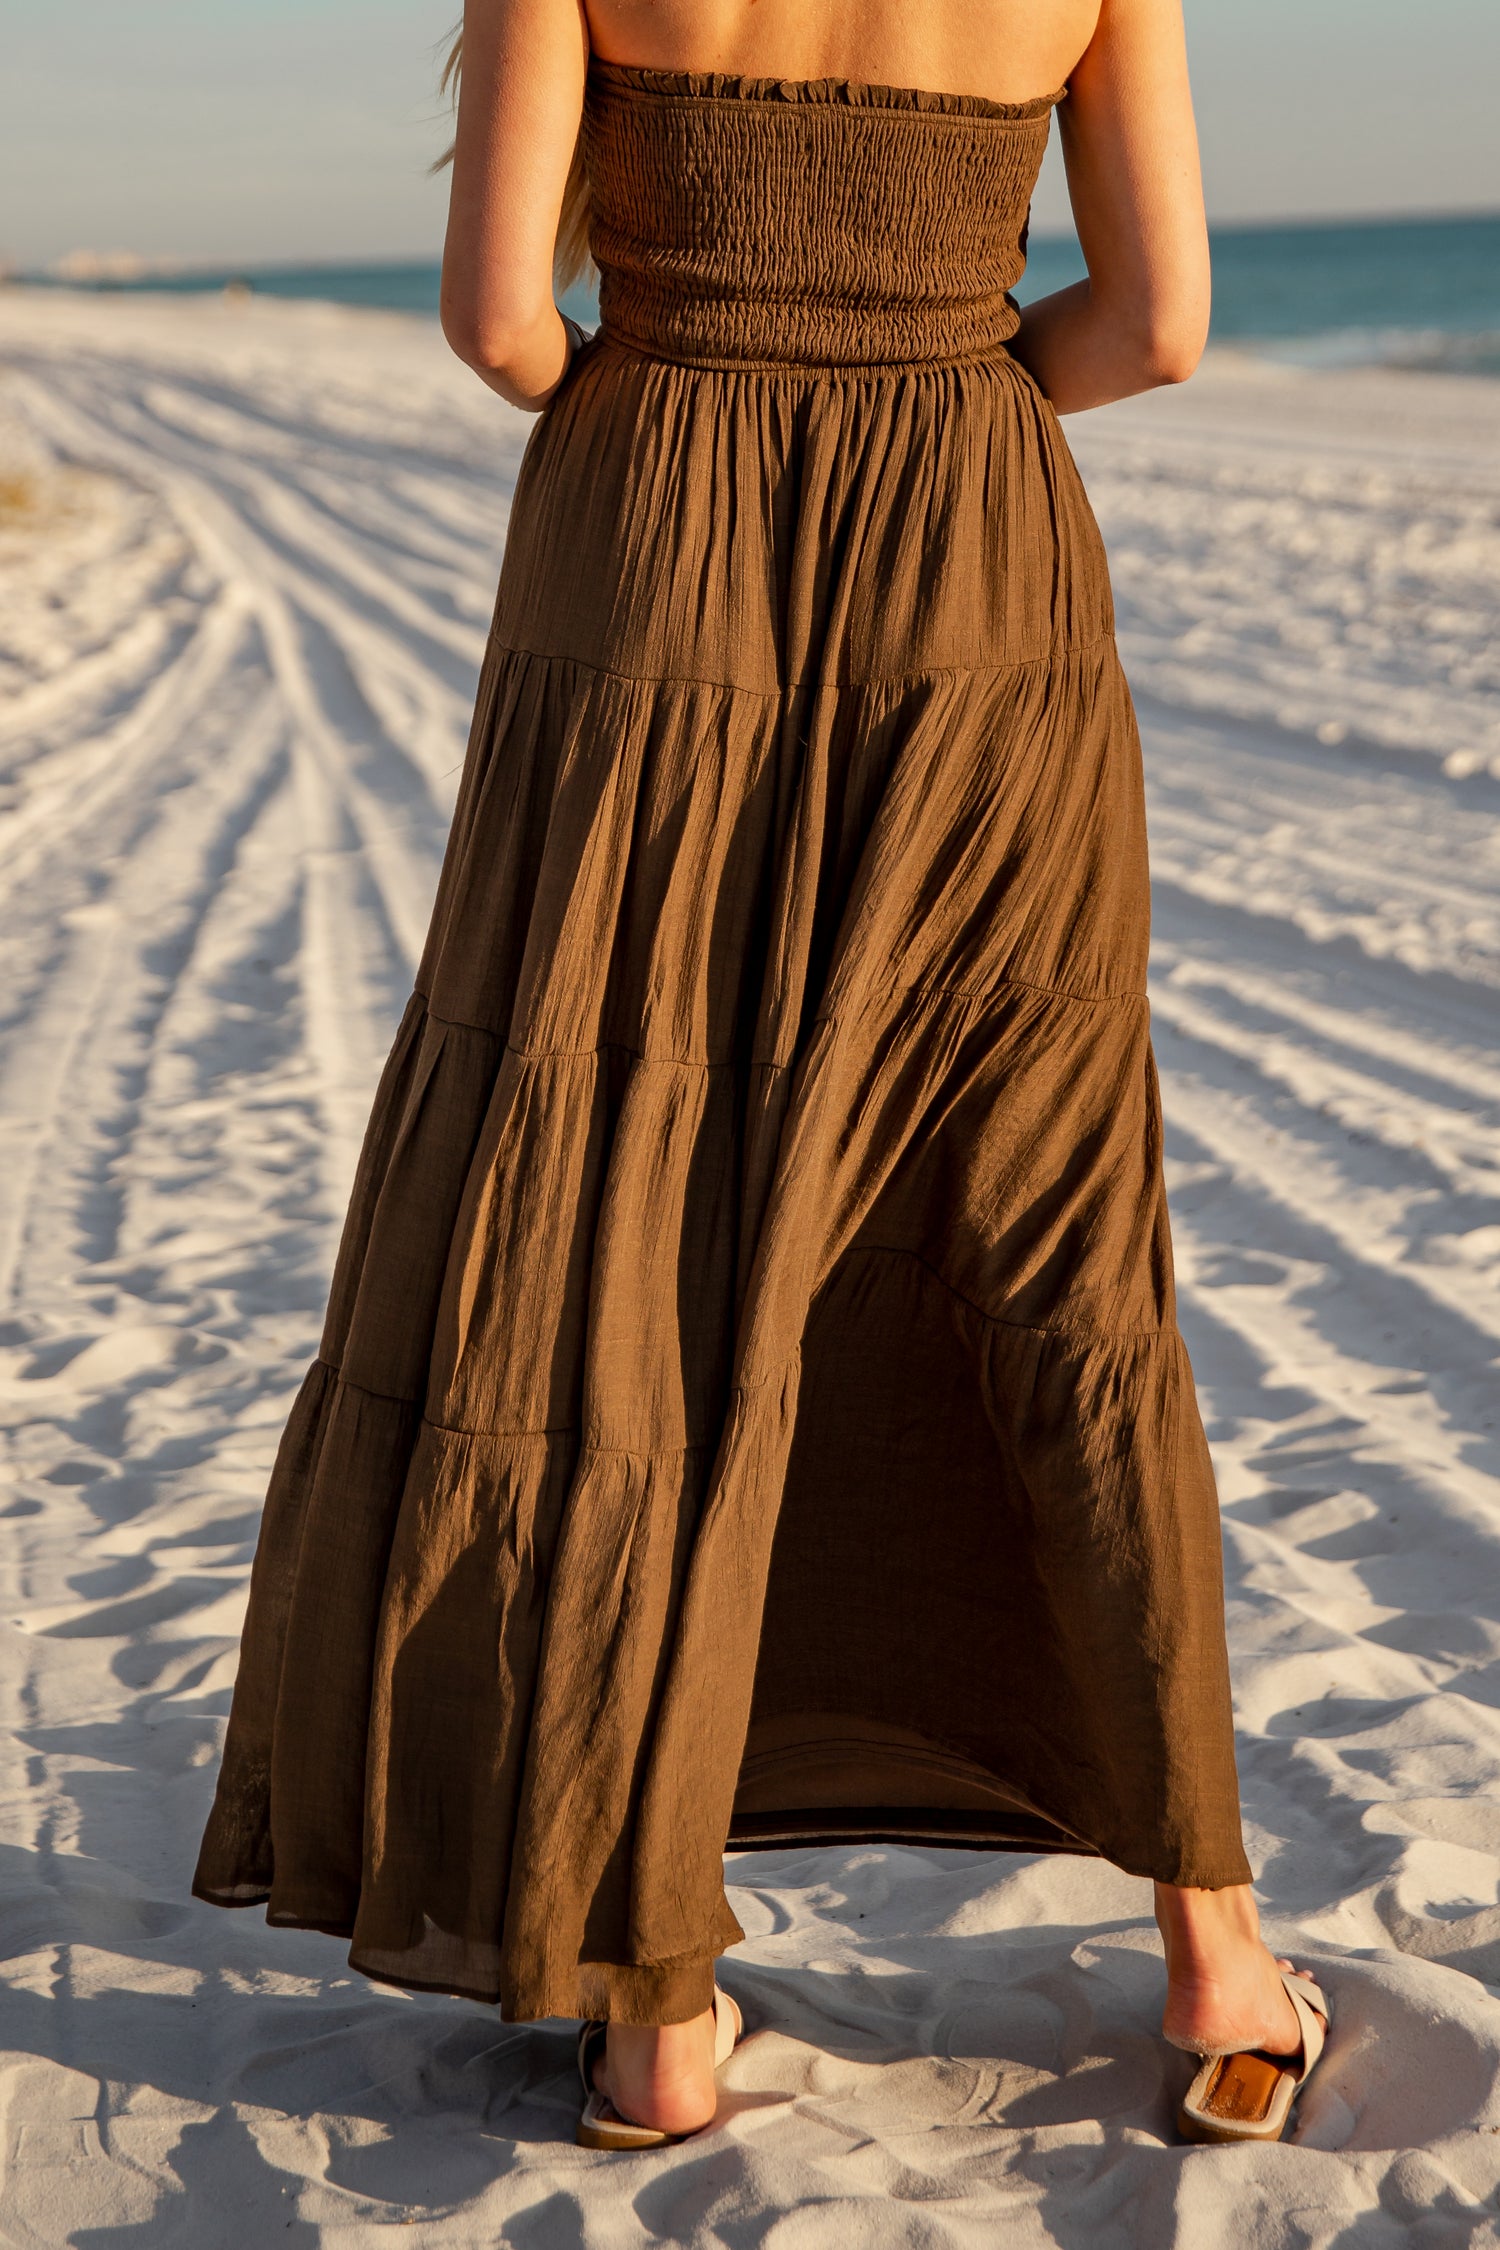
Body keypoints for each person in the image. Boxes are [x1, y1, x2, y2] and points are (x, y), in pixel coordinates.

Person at [194, 0, 1329, 2151]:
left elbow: (503, 322)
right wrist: (938, 391)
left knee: (628, 1207)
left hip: (655, 561)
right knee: (1053, 1223)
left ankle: (657, 2010)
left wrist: (710, 397)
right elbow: (1162, 325)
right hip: (973, 570)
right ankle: (1214, 1958)